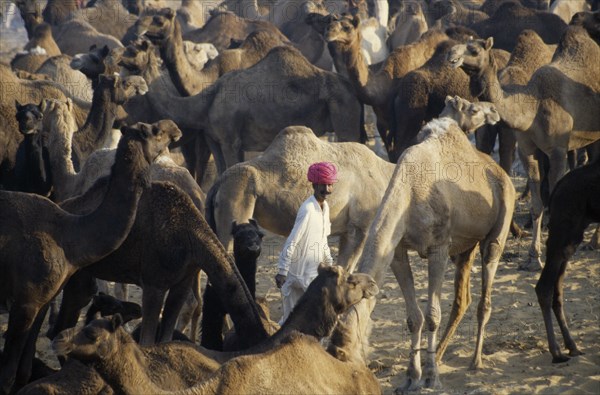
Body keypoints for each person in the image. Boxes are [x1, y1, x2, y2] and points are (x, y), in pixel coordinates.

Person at [275, 162, 338, 325]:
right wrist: (282, 270)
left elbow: (323, 239)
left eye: (330, 185)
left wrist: (330, 264)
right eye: (324, 185)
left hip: (313, 272)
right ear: (315, 184)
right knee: (290, 318)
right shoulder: (308, 209)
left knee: (316, 314)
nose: (328, 189)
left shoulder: (325, 208)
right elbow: (293, 239)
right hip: (296, 272)